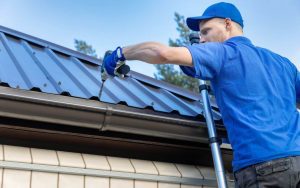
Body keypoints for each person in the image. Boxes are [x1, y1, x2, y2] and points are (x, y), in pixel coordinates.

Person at [103, 2, 300, 187]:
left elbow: (162, 53)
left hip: (262, 167)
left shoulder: (223, 53)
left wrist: (121, 53)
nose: (202, 39)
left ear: (227, 24)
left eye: (206, 32)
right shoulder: (282, 63)